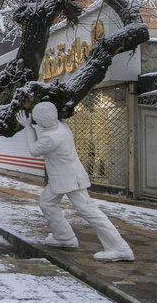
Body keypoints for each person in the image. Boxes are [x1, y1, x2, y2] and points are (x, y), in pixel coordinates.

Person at [16, 102, 134, 262]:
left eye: (38, 121)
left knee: (89, 211)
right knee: (47, 203)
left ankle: (120, 248)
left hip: (69, 179)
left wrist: (28, 127)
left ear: (42, 121)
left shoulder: (52, 138)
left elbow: (33, 150)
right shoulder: (61, 126)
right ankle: (63, 237)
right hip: (65, 177)